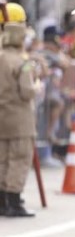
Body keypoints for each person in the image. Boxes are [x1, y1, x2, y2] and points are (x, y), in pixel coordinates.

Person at [0, 11, 39, 217]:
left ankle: (2, 201)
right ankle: (14, 202)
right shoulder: (22, 63)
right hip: (20, 119)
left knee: (2, 159)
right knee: (19, 159)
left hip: (2, 117)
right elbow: (27, 92)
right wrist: (37, 86)